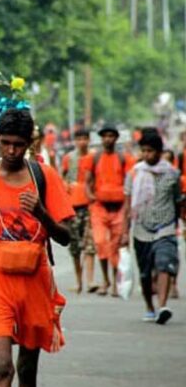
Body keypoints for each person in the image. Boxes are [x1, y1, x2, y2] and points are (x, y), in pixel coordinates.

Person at [0, 109, 73, 387]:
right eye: (6, 143)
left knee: (27, 369)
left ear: (29, 143)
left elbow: (66, 237)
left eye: (19, 144)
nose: (11, 150)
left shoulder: (43, 177)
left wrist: (41, 214)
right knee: (2, 367)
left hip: (35, 281)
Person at [121, 130, 181, 324]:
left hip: (165, 227)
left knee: (164, 263)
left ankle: (163, 306)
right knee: (145, 273)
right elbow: (128, 204)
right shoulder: (135, 173)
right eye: (144, 151)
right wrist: (124, 231)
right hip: (141, 229)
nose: (147, 155)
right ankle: (149, 306)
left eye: (151, 151)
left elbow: (178, 200)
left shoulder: (172, 174)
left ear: (160, 151)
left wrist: (179, 222)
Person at [84, 125, 136, 296]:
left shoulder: (124, 158)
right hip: (99, 206)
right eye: (105, 136)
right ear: (101, 138)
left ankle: (114, 283)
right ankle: (105, 279)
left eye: (111, 136)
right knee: (100, 243)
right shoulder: (95, 158)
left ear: (116, 138)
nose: (108, 139)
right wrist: (90, 195)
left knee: (115, 246)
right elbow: (88, 180)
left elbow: (130, 181)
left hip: (119, 207)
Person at [61, 129, 98, 293]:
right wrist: (66, 185)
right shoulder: (69, 158)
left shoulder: (95, 157)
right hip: (73, 205)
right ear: (75, 141)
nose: (82, 142)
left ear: (89, 140)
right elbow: (62, 177)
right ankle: (79, 281)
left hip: (90, 204)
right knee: (75, 246)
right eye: (79, 139)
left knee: (90, 244)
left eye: (85, 138)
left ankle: (90, 280)